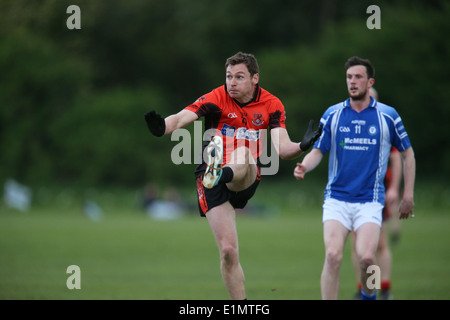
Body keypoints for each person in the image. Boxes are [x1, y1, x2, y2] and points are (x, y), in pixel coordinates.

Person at [144, 52, 322, 300]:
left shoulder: (271, 104)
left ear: (254, 78)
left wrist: (302, 146)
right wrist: (163, 127)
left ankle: (221, 171)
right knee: (228, 251)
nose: (232, 82)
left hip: (244, 175)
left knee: (243, 152)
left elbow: (282, 150)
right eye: (228, 76)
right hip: (209, 177)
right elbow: (182, 117)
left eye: (239, 77)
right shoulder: (217, 97)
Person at [294, 56, 415, 300]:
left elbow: (407, 154)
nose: (352, 81)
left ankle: (369, 297)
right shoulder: (333, 114)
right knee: (333, 256)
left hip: (369, 201)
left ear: (370, 81)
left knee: (368, 257)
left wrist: (408, 194)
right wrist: (305, 166)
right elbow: (319, 149)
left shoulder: (387, 116)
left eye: (358, 77)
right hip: (337, 199)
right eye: (349, 77)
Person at [350, 87, 403, 300]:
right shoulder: (350, 122)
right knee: (357, 245)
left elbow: (397, 157)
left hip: (375, 193)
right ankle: (363, 288)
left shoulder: (383, 123)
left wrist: (393, 189)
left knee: (376, 245)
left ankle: (383, 288)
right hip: (352, 193)